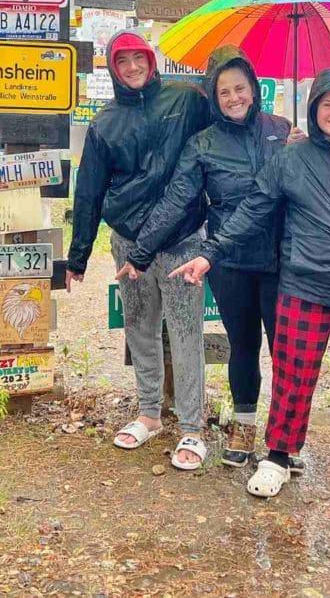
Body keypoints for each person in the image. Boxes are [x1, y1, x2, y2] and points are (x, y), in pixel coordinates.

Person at [171, 69, 330, 501]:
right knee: (293, 376)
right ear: (315, 107)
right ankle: (278, 456)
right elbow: (253, 209)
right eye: (327, 105)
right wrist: (210, 253)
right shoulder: (291, 159)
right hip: (304, 286)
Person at [115, 45, 295, 469]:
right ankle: (244, 430)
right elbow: (178, 199)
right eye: (224, 92)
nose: (234, 98)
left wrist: (306, 143)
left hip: (282, 261)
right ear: (213, 97)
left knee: (287, 352)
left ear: (254, 88)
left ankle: (285, 440)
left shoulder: (282, 130)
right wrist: (140, 253)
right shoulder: (203, 143)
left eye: (240, 88)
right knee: (244, 349)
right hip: (228, 261)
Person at [67, 30, 212, 470]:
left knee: (187, 334)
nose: (132, 67)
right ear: (112, 68)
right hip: (129, 244)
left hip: (181, 240)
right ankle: (149, 412)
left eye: (139, 57)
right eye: (122, 60)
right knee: (140, 328)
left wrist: (279, 133)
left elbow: (228, 132)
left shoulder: (186, 100)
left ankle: (192, 426)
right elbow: (89, 190)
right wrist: (78, 256)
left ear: (152, 59)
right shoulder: (105, 122)